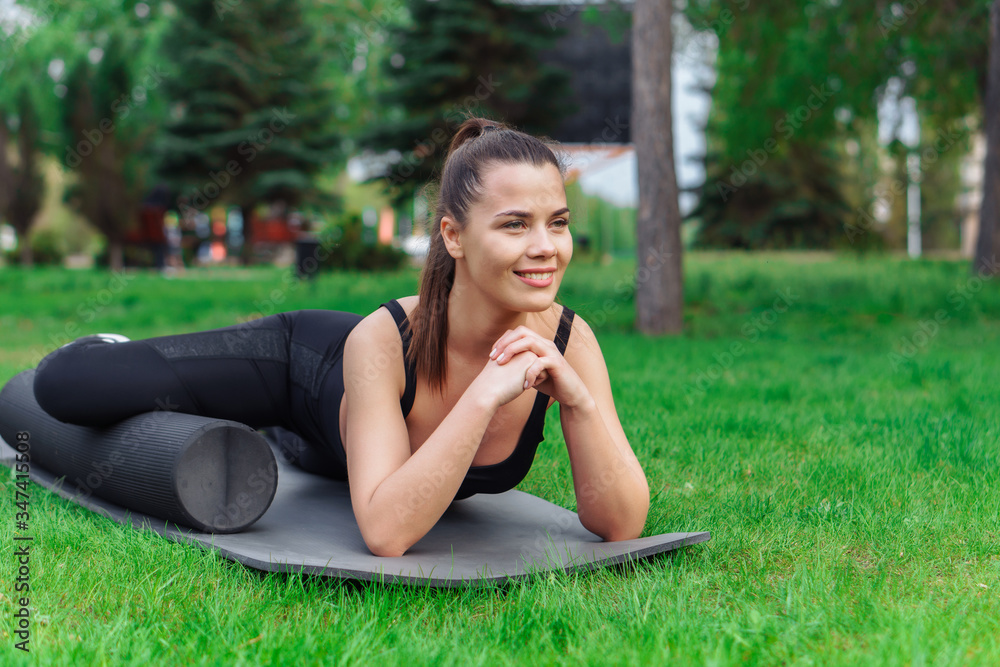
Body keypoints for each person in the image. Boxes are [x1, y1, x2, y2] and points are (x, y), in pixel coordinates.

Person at [32, 118, 650, 558]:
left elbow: (620, 523)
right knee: (67, 386)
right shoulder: (386, 338)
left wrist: (580, 403)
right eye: (515, 225)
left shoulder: (569, 340)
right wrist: (484, 396)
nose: (545, 247)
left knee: (286, 448)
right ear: (453, 237)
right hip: (301, 369)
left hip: (319, 457)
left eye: (557, 222)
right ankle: (115, 346)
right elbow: (386, 535)